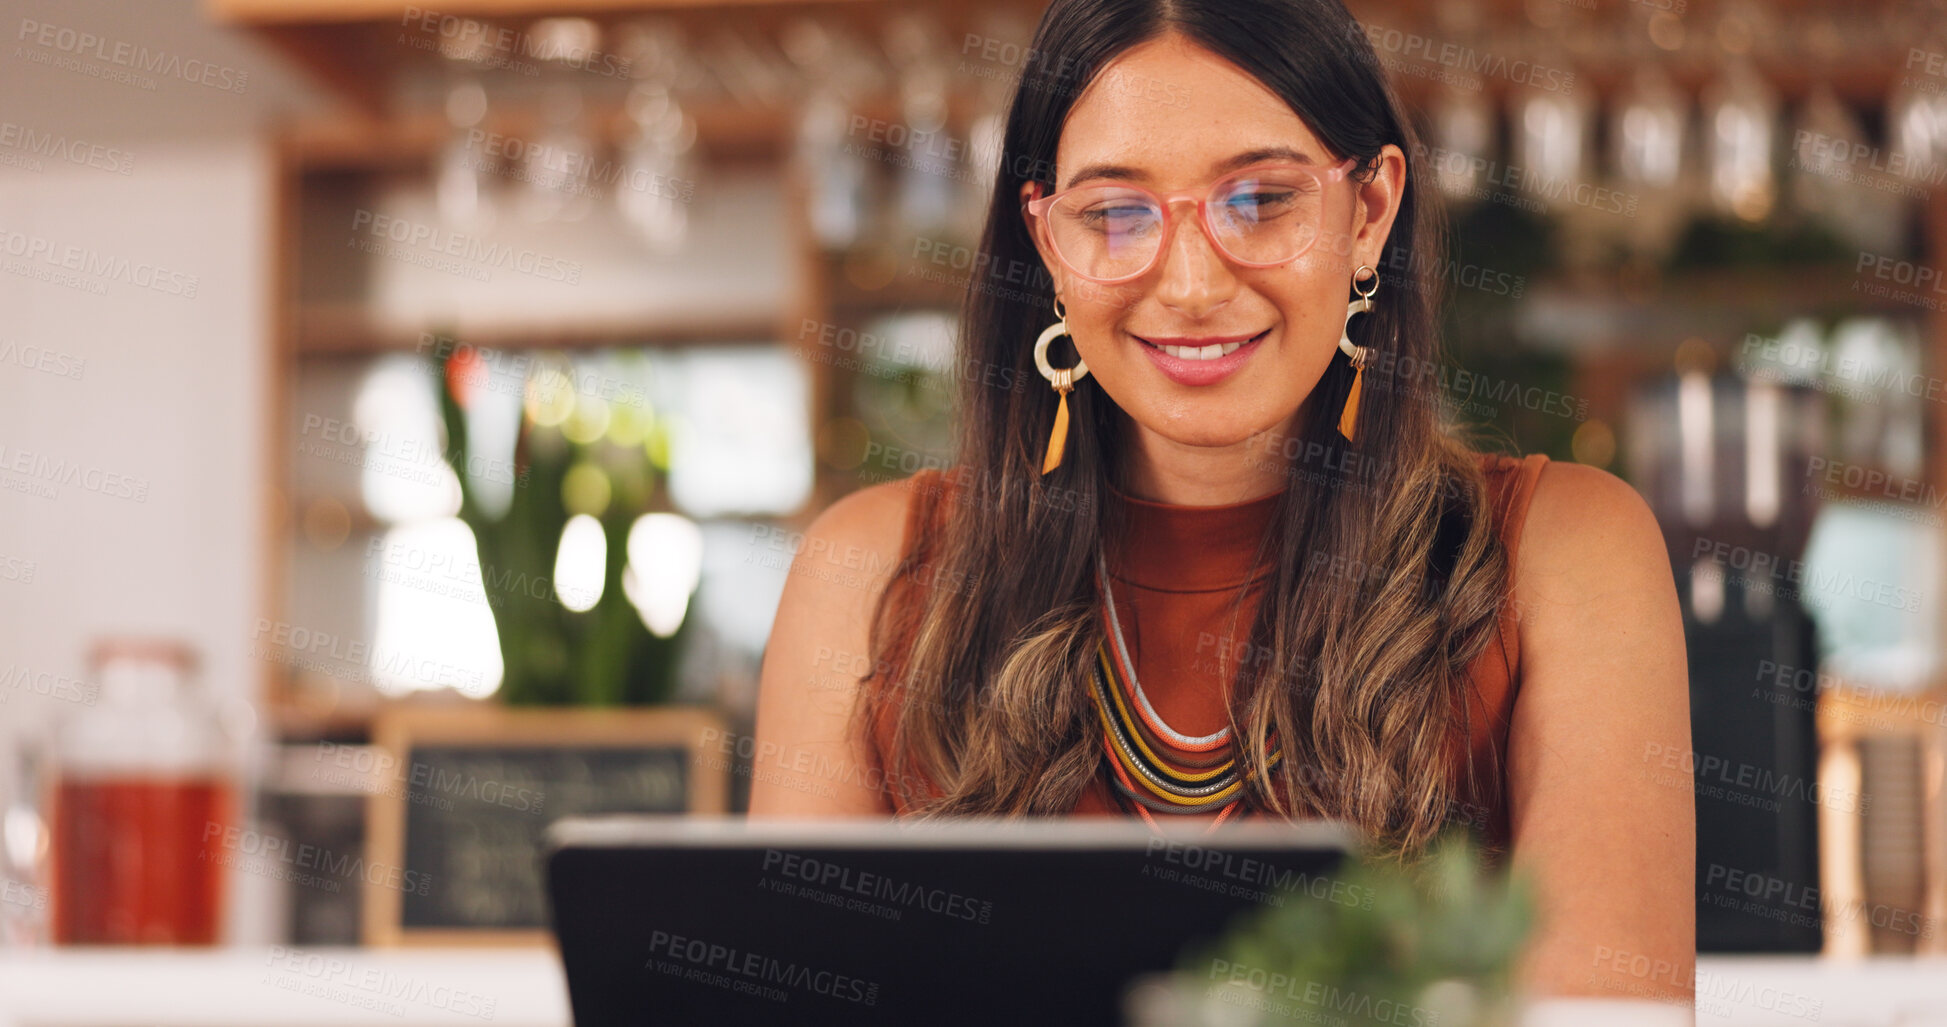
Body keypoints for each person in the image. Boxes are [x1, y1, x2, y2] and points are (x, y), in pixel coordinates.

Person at [752, 0, 1692, 1004]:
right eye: (1116, 214)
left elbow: (1607, 1011)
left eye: (1261, 200)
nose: (1192, 284)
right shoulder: (866, 571)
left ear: (1369, 211)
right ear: (1047, 244)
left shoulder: (1569, 551)